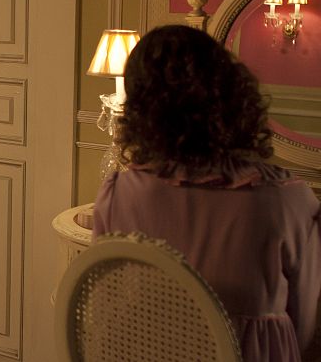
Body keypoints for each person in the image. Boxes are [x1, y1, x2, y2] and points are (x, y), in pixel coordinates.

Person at [92, 25, 321, 362]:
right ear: (230, 95)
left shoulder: (117, 195)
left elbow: (105, 304)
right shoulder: (287, 201)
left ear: (140, 110)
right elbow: (305, 329)